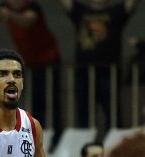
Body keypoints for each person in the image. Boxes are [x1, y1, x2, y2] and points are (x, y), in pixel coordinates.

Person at [60, 0, 140, 131]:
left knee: (112, 113)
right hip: (83, 71)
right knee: (84, 114)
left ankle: (113, 145)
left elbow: (131, 4)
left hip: (108, 71)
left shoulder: (116, 11)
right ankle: (87, 146)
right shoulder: (81, 10)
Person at [0, 0, 62, 136]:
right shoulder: (4, 8)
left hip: (48, 59)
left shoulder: (32, 7)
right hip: (30, 62)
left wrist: (9, 15)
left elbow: (28, 20)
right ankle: (35, 135)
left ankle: (56, 136)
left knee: (52, 100)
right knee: (35, 101)